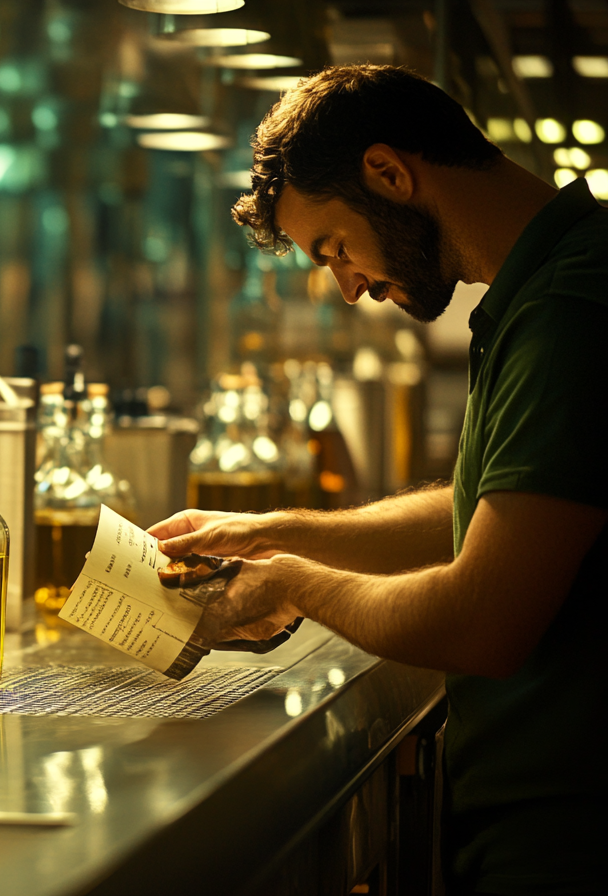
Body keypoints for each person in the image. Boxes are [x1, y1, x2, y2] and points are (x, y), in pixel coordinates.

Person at [149, 65, 606, 896]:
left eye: (333, 249)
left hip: (569, 839)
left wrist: (295, 583)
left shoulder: (576, 306)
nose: (349, 286)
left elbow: (482, 620)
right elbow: (494, 508)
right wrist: (277, 532)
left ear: (391, 174)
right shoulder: (543, 288)